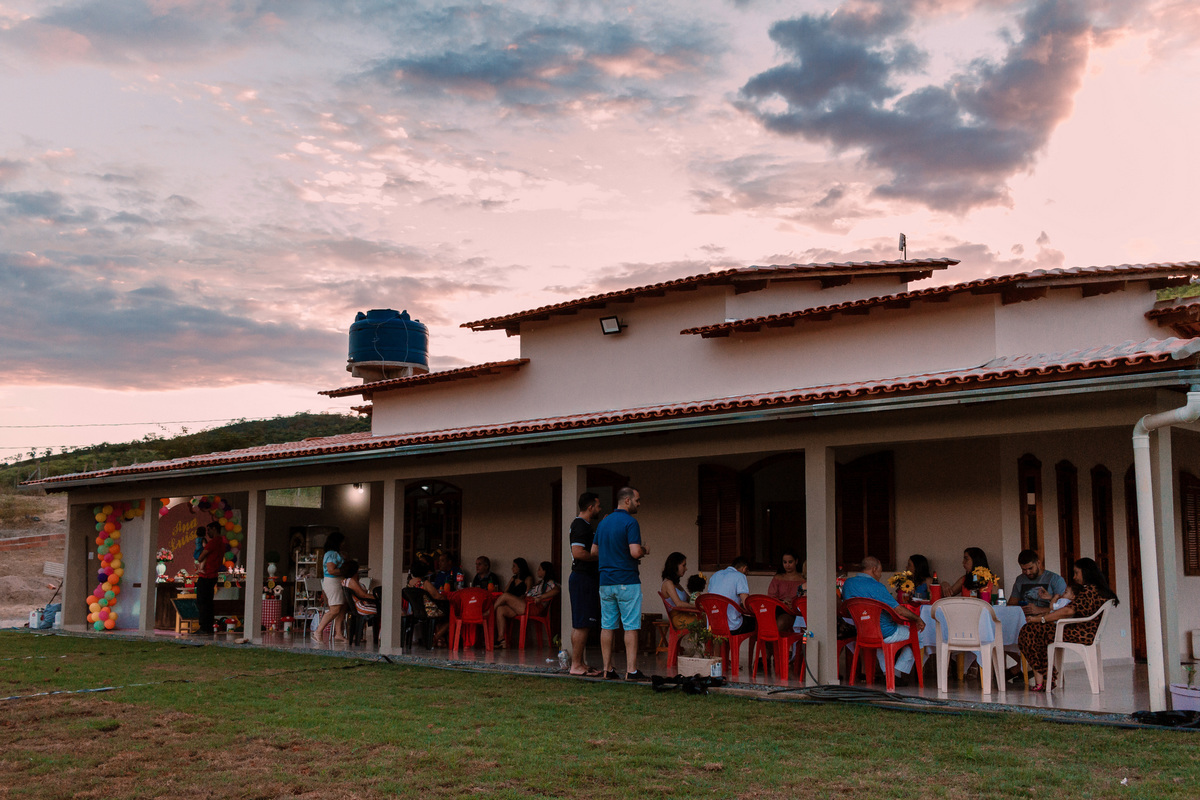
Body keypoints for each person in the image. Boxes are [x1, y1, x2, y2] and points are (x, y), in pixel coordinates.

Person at [1017, 557, 1118, 692]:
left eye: (1077, 573)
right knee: (1033, 632)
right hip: (1083, 630)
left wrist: (1041, 619)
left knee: (1029, 632)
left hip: (1079, 632)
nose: (1074, 577)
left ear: (1086, 572)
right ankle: (1046, 676)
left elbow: (1068, 611)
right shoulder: (1098, 589)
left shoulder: (1089, 591)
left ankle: (1046, 676)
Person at [842, 555, 926, 683]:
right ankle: (896, 672)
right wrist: (917, 619)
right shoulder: (877, 587)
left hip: (863, 632)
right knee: (921, 637)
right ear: (874, 569)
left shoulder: (848, 584)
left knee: (881, 639)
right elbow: (898, 609)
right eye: (880, 571)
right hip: (885, 632)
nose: (880, 575)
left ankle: (889, 674)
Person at [596, 486, 650, 681]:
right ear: (627, 500)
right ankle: (631, 671)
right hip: (627, 580)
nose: (639, 503)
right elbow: (635, 552)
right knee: (630, 626)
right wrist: (645, 550)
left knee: (607, 626)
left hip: (605, 582)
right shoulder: (631, 522)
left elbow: (594, 552)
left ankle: (607, 669)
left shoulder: (603, 523)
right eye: (637, 500)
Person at [568, 492, 604, 676]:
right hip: (582, 579)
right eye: (598, 506)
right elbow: (578, 553)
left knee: (579, 624)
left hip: (582, 579)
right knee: (583, 624)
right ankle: (576, 665)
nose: (599, 509)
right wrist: (598, 556)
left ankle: (579, 663)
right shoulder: (581, 525)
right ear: (590, 507)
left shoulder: (584, 526)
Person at [495, 561, 560, 646]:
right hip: (526, 604)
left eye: (540, 569)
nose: (537, 571)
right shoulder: (540, 582)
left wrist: (541, 597)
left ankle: (490, 612)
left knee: (505, 596)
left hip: (533, 606)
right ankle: (501, 639)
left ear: (545, 571)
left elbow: (556, 590)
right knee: (501, 610)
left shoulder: (550, 582)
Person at [1007, 549, 1067, 617]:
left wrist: (1040, 610)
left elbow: (1065, 608)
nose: (1028, 572)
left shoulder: (1056, 579)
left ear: (1038, 563)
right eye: (1024, 569)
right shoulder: (1020, 579)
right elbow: (1011, 605)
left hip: (1047, 620)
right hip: (1024, 620)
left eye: (1030, 568)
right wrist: (1020, 609)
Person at [707, 556, 756, 635]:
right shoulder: (740, 576)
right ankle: (762, 647)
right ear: (744, 569)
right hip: (732, 625)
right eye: (747, 573)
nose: (746, 575)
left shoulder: (715, 575)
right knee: (758, 623)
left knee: (719, 637)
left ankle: (724, 646)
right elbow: (746, 603)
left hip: (713, 623)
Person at [194, 521, 228, 635]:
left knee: (202, 602)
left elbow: (200, 557)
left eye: (209, 530)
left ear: (214, 529)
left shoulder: (213, 542)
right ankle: (208, 627)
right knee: (208, 602)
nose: (207, 533)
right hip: (213, 575)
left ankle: (204, 627)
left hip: (207, 575)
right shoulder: (221, 543)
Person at [313, 532, 347, 643]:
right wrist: (344, 570)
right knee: (335, 609)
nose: (344, 543)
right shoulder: (332, 554)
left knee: (341, 608)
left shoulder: (335, 553)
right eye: (342, 541)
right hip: (333, 582)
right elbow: (331, 570)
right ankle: (318, 631)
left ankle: (338, 634)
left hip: (337, 582)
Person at [408, 562, 450, 646]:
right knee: (451, 618)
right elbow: (437, 596)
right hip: (429, 611)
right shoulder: (425, 583)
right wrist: (447, 598)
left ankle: (439, 640)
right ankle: (435, 637)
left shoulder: (410, 583)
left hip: (416, 611)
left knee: (439, 619)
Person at [767, 550, 806, 634]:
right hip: (778, 608)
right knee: (764, 621)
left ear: (796, 561)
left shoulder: (802, 580)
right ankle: (769, 647)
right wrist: (782, 602)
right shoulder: (778, 578)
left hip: (793, 612)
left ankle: (777, 646)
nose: (787, 565)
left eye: (790, 562)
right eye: (785, 562)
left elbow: (804, 598)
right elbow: (771, 596)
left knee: (781, 623)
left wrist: (792, 604)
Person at [340, 558, 378, 644]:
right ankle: (380, 636)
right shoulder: (352, 581)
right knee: (382, 610)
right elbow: (363, 595)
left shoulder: (346, 581)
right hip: (361, 606)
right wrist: (377, 597)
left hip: (358, 606)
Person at [660, 551, 701, 630]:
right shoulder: (668, 583)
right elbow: (678, 604)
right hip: (678, 619)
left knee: (709, 618)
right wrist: (697, 607)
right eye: (684, 565)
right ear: (675, 565)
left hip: (685, 615)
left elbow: (689, 599)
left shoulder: (676, 584)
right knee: (706, 620)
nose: (686, 568)